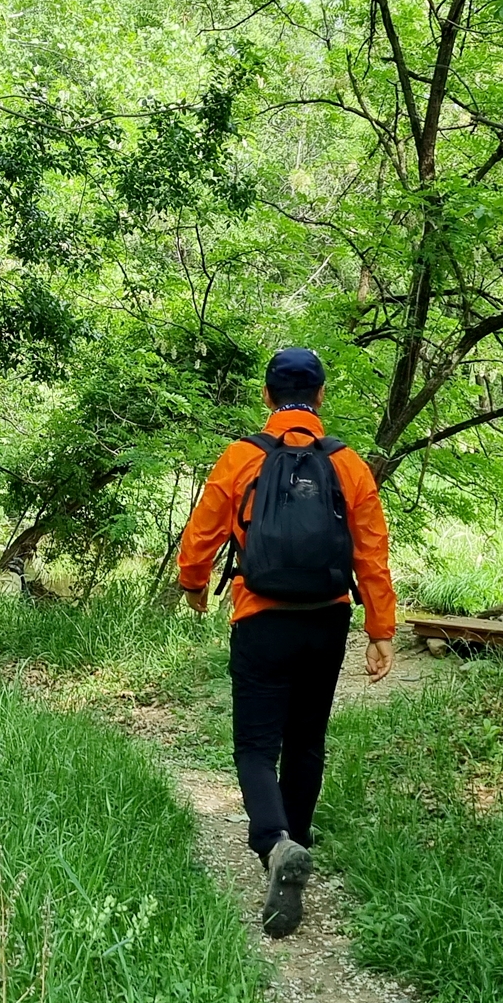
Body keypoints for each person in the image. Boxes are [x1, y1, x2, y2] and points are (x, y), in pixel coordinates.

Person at [177, 347, 396, 938]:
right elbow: (371, 553)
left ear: (267, 396)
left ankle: (275, 845)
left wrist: (193, 584)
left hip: (260, 617)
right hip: (326, 621)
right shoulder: (348, 465)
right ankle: (294, 841)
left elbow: (203, 531)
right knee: (306, 742)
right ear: (320, 396)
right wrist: (380, 631)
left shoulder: (242, 457)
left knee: (255, 746)